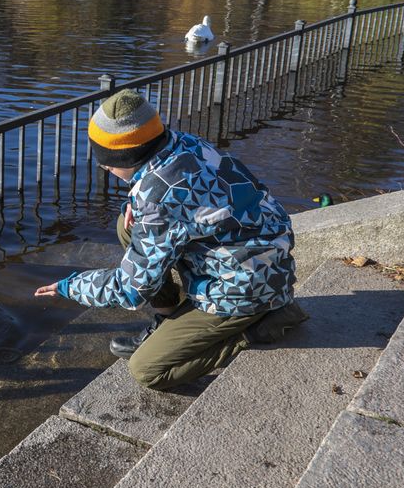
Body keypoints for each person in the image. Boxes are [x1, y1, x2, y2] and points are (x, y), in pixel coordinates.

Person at [34, 89, 307, 391]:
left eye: (108, 164)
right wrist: (138, 204)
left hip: (247, 284)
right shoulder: (183, 143)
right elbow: (182, 198)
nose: (106, 170)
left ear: (129, 156)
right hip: (259, 248)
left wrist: (69, 286)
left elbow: (130, 289)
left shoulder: (157, 197)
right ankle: (167, 317)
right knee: (127, 227)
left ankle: (259, 327)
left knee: (147, 370)